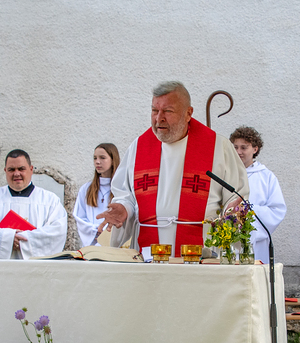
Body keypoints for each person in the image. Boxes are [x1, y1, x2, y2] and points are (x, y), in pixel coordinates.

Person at [98, 82, 249, 256]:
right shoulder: (139, 147)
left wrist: (232, 211)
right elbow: (126, 196)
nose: (159, 118)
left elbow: (236, 195)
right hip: (148, 254)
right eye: (154, 110)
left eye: (168, 111)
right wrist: (123, 208)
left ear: (188, 113)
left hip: (202, 252)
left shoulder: (217, 147)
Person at [0, 149, 68, 259]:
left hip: (34, 268)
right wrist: (8, 238)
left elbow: (57, 232)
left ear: (31, 169)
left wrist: (22, 239)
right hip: (2, 268)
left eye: (21, 169)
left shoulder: (50, 200)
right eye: (11, 170)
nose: (16, 174)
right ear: (5, 171)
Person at [231, 126, 286, 262]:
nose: (238, 152)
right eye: (235, 147)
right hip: (227, 241)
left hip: (256, 245)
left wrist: (248, 210)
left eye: (244, 148)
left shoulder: (266, 177)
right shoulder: (225, 174)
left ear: (255, 149)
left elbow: (277, 210)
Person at [74, 143, 120, 247]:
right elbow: (80, 217)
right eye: (95, 158)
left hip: (114, 243)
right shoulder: (86, 189)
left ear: (113, 160)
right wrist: (96, 230)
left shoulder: (121, 188)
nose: (97, 162)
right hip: (92, 243)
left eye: (102, 158)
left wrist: (106, 231)